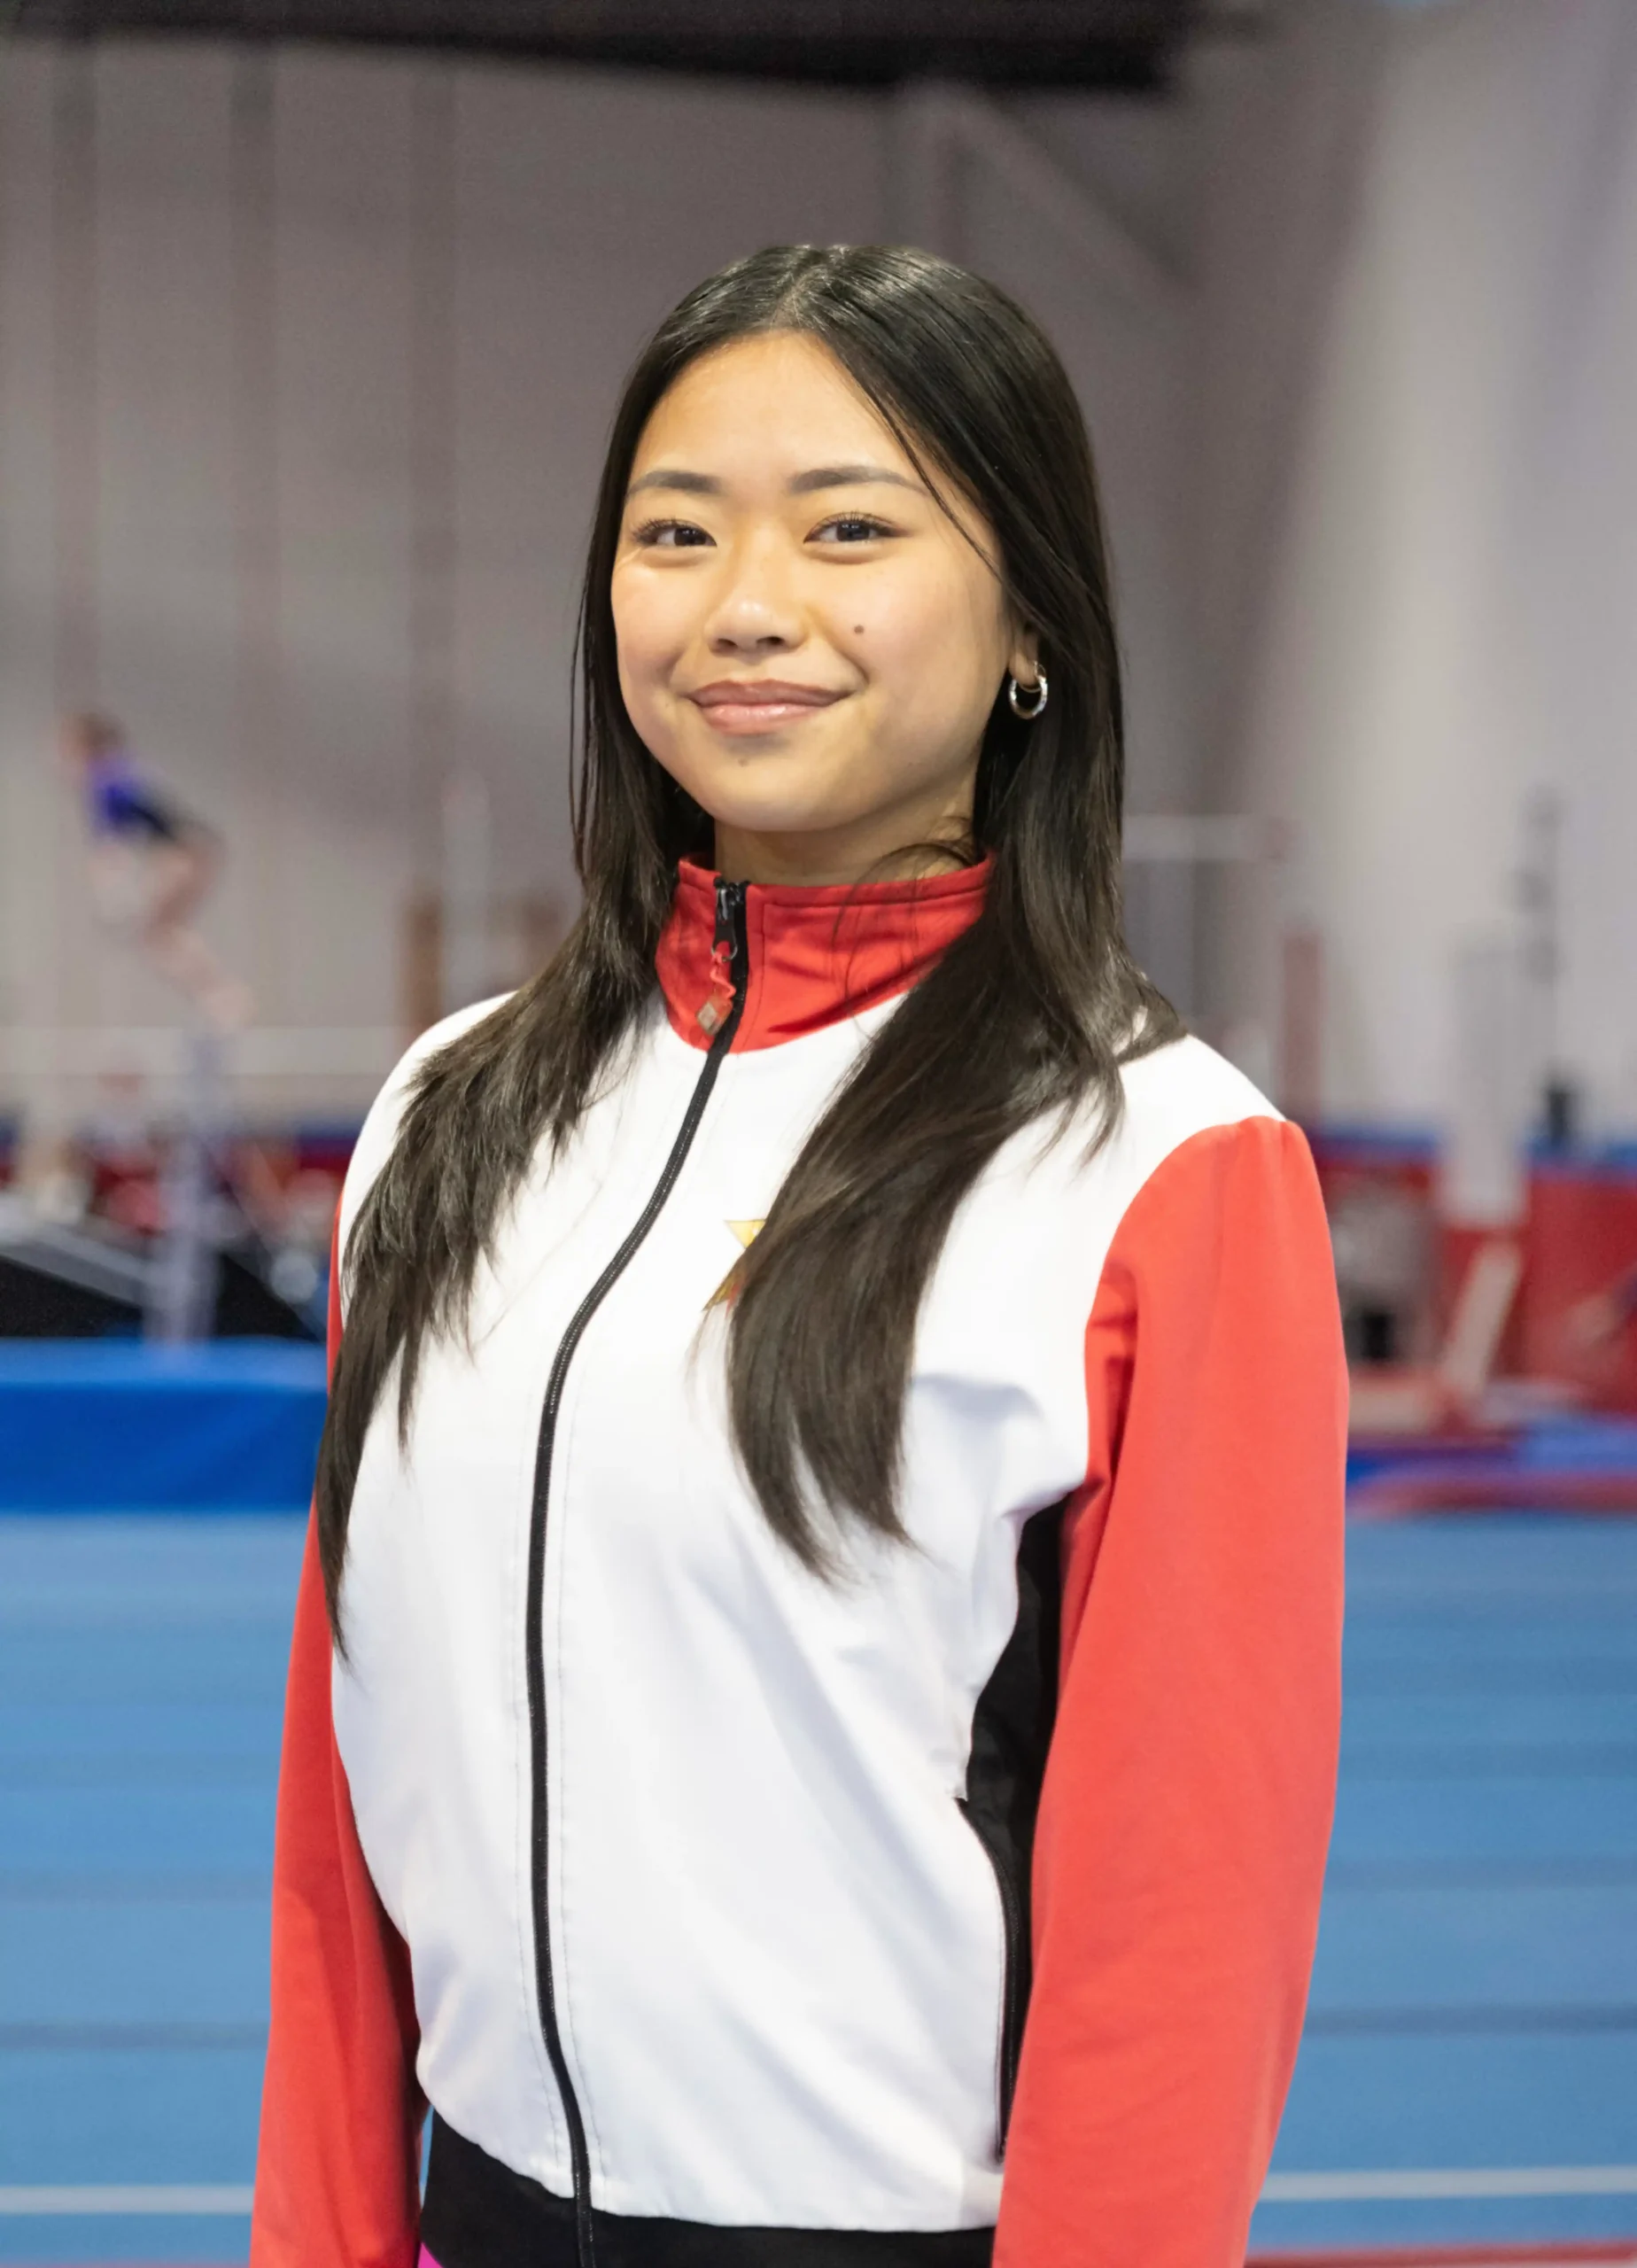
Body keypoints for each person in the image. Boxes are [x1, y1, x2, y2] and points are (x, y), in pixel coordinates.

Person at [252, 245, 1346, 2268]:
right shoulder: (442, 1117)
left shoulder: (1161, 1166)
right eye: (676, 532)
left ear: (1029, 619)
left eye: (849, 529)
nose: (745, 606)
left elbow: (1180, 1928)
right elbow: (346, 1794)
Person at [61, 711, 252, 1030]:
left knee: (158, 934)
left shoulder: (103, 780)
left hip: (182, 849)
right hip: (189, 845)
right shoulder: (123, 770)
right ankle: (219, 996)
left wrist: (111, 900)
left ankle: (222, 997)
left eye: (66, 752)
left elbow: (110, 850)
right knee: (162, 933)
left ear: (83, 748)